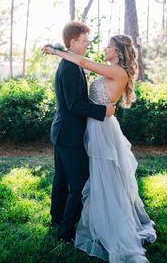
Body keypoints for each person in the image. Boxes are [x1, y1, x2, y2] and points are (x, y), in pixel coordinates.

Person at [44, 32, 157, 263]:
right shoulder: (108, 69)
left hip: (100, 129)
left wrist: (55, 51)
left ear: (117, 51)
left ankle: (84, 224)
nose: (103, 48)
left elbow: (84, 63)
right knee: (78, 177)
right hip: (91, 126)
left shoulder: (117, 71)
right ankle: (63, 221)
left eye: (108, 46)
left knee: (95, 178)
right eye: (85, 40)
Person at [43, 21, 115, 244]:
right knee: (79, 183)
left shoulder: (70, 64)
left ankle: (56, 219)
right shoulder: (70, 67)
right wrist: (104, 110)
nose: (87, 44)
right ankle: (65, 231)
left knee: (62, 178)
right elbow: (75, 104)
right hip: (70, 135)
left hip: (62, 132)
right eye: (84, 41)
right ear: (73, 42)